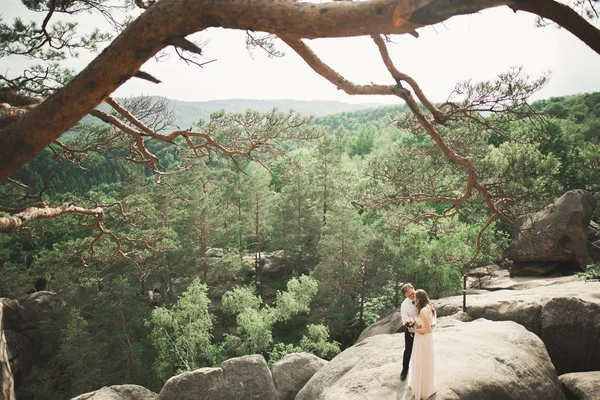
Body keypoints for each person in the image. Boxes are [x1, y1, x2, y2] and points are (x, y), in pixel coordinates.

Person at [407, 289, 437, 400]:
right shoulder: (429, 307)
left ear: (420, 298)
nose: (414, 299)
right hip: (422, 338)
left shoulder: (424, 310)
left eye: (415, 297)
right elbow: (430, 323)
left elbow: (428, 329)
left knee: (422, 361)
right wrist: (414, 325)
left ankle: (423, 389)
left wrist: (414, 331)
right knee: (423, 361)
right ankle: (424, 386)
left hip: (423, 338)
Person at [399, 283, 417, 381]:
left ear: (414, 288)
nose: (412, 296)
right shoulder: (404, 305)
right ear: (405, 295)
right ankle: (405, 369)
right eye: (409, 295)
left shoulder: (421, 296)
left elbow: (431, 310)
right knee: (408, 350)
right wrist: (411, 324)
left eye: (412, 293)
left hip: (423, 328)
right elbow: (404, 319)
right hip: (411, 329)